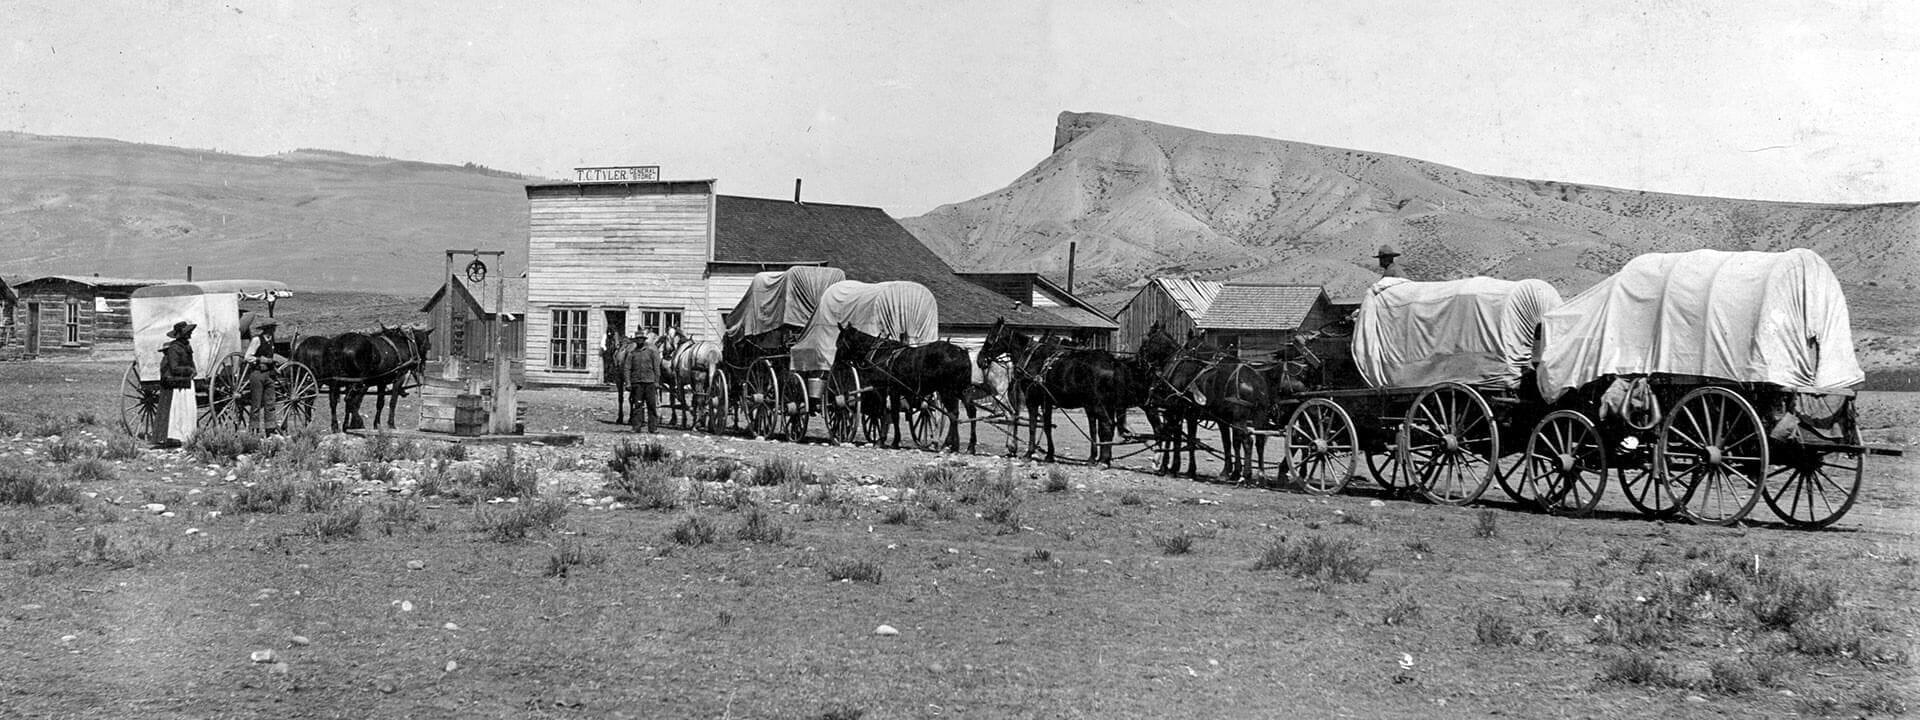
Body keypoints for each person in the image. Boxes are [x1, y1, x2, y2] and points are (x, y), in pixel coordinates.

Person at [156, 320, 198, 448]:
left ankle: (185, 435)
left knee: (186, 410)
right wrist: (189, 370)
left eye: (190, 333)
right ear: (182, 335)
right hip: (176, 384)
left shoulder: (186, 346)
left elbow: (190, 361)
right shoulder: (174, 348)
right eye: (188, 333)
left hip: (185, 382)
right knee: (177, 410)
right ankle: (174, 436)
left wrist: (193, 369)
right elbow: (174, 368)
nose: (190, 335)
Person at [243, 317, 286, 434]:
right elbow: (248, 357)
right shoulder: (257, 340)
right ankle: (254, 430)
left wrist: (274, 367)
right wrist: (261, 359)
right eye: (273, 327)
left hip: (269, 375)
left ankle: (270, 429)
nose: (275, 330)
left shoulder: (271, 340)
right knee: (256, 404)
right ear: (268, 329)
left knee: (270, 402)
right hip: (257, 374)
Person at [623, 329, 664, 433]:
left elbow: (656, 368)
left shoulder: (651, 352)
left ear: (644, 340)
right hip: (637, 383)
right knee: (637, 406)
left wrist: (657, 382)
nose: (639, 341)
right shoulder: (632, 354)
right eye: (637, 339)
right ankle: (636, 427)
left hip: (649, 383)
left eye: (641, 339)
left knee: (651, 406)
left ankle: (653, 428)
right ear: (635, 341)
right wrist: (628, 382)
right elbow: (627, 368)